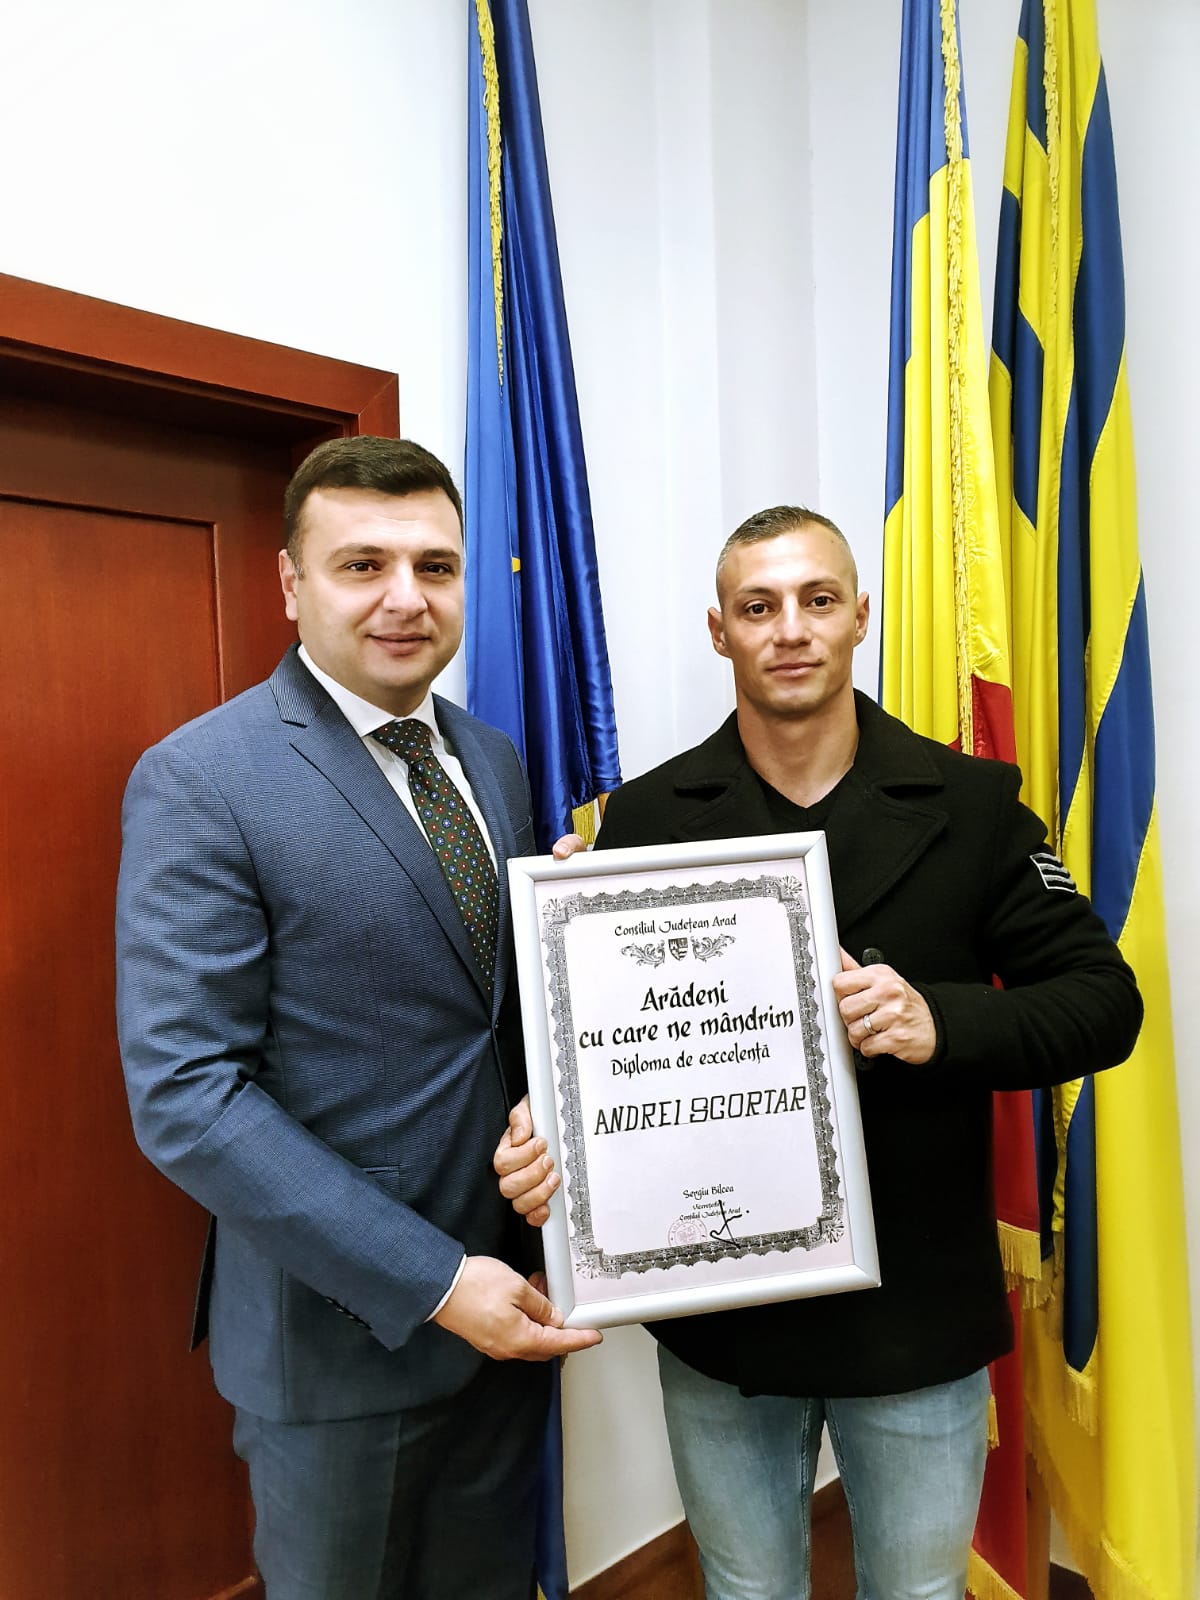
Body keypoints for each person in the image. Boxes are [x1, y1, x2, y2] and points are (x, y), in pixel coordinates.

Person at [495, 506, 1142, 1600]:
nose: (790, 628)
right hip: (723, 1312)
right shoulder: (641, 821)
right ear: (720, 631)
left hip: (914, 1305)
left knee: (918, 1592)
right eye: (758, 607)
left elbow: (1102, 1003)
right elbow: (598, 1050)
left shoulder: (974, 804)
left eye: (817, 599)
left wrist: (942, 1023)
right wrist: (570, 959)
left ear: (859, 617)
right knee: (746, 1590)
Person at [116, 435, 600, 1600]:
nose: (405, 597)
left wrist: (583, 937)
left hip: (513, 1308)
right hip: (341, 1343)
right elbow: (186, 1096)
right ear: (291, 584)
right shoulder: (202, 778)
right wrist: (435, 1280)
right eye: (363, 564)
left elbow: (483, 1012)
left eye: (435, 566)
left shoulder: (491, 757)